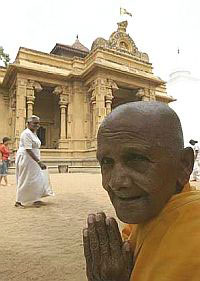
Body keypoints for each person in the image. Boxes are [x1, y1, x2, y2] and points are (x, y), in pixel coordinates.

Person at [83, 101, 200, 281]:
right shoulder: (147, 217)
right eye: (107, 162)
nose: (116, 182)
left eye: (136, 159)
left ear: (183, 165)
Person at [15, 115, 51, 208]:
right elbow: (28, 149)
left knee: (36, 179)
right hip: (27, 159)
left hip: (33, 161)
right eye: (35, 123)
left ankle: (36, 199)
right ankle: (18, 201)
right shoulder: (26, 134)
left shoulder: (33, 133)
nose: (37, 125)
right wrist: (39, 162)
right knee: (25, 179)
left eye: (38, 123)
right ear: (28, 124)